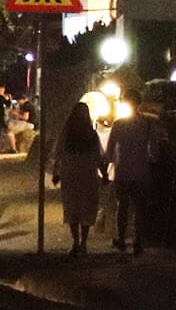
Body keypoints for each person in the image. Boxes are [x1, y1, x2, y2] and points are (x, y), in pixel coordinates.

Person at [102, 86, 156, 253]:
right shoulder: (146, 123)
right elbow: (152, 148)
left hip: (123, 169)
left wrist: (105, 169)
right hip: (141, 170)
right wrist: (152, 160)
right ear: (139, 103)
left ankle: (122, 239)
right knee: (139, 208)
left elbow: (110, 149)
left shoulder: (119, 124)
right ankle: (138, 240)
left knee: (122, 207)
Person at [50, 100, 104, 254]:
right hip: (88, 174)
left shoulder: (67, 134)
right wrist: (104, 173)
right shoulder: (91, 134)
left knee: (72, 208)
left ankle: (75, 242)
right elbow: (98, 157)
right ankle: (84, 243)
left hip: (70, 174)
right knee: (86, 208)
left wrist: (56, 173)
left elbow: (57, 153)